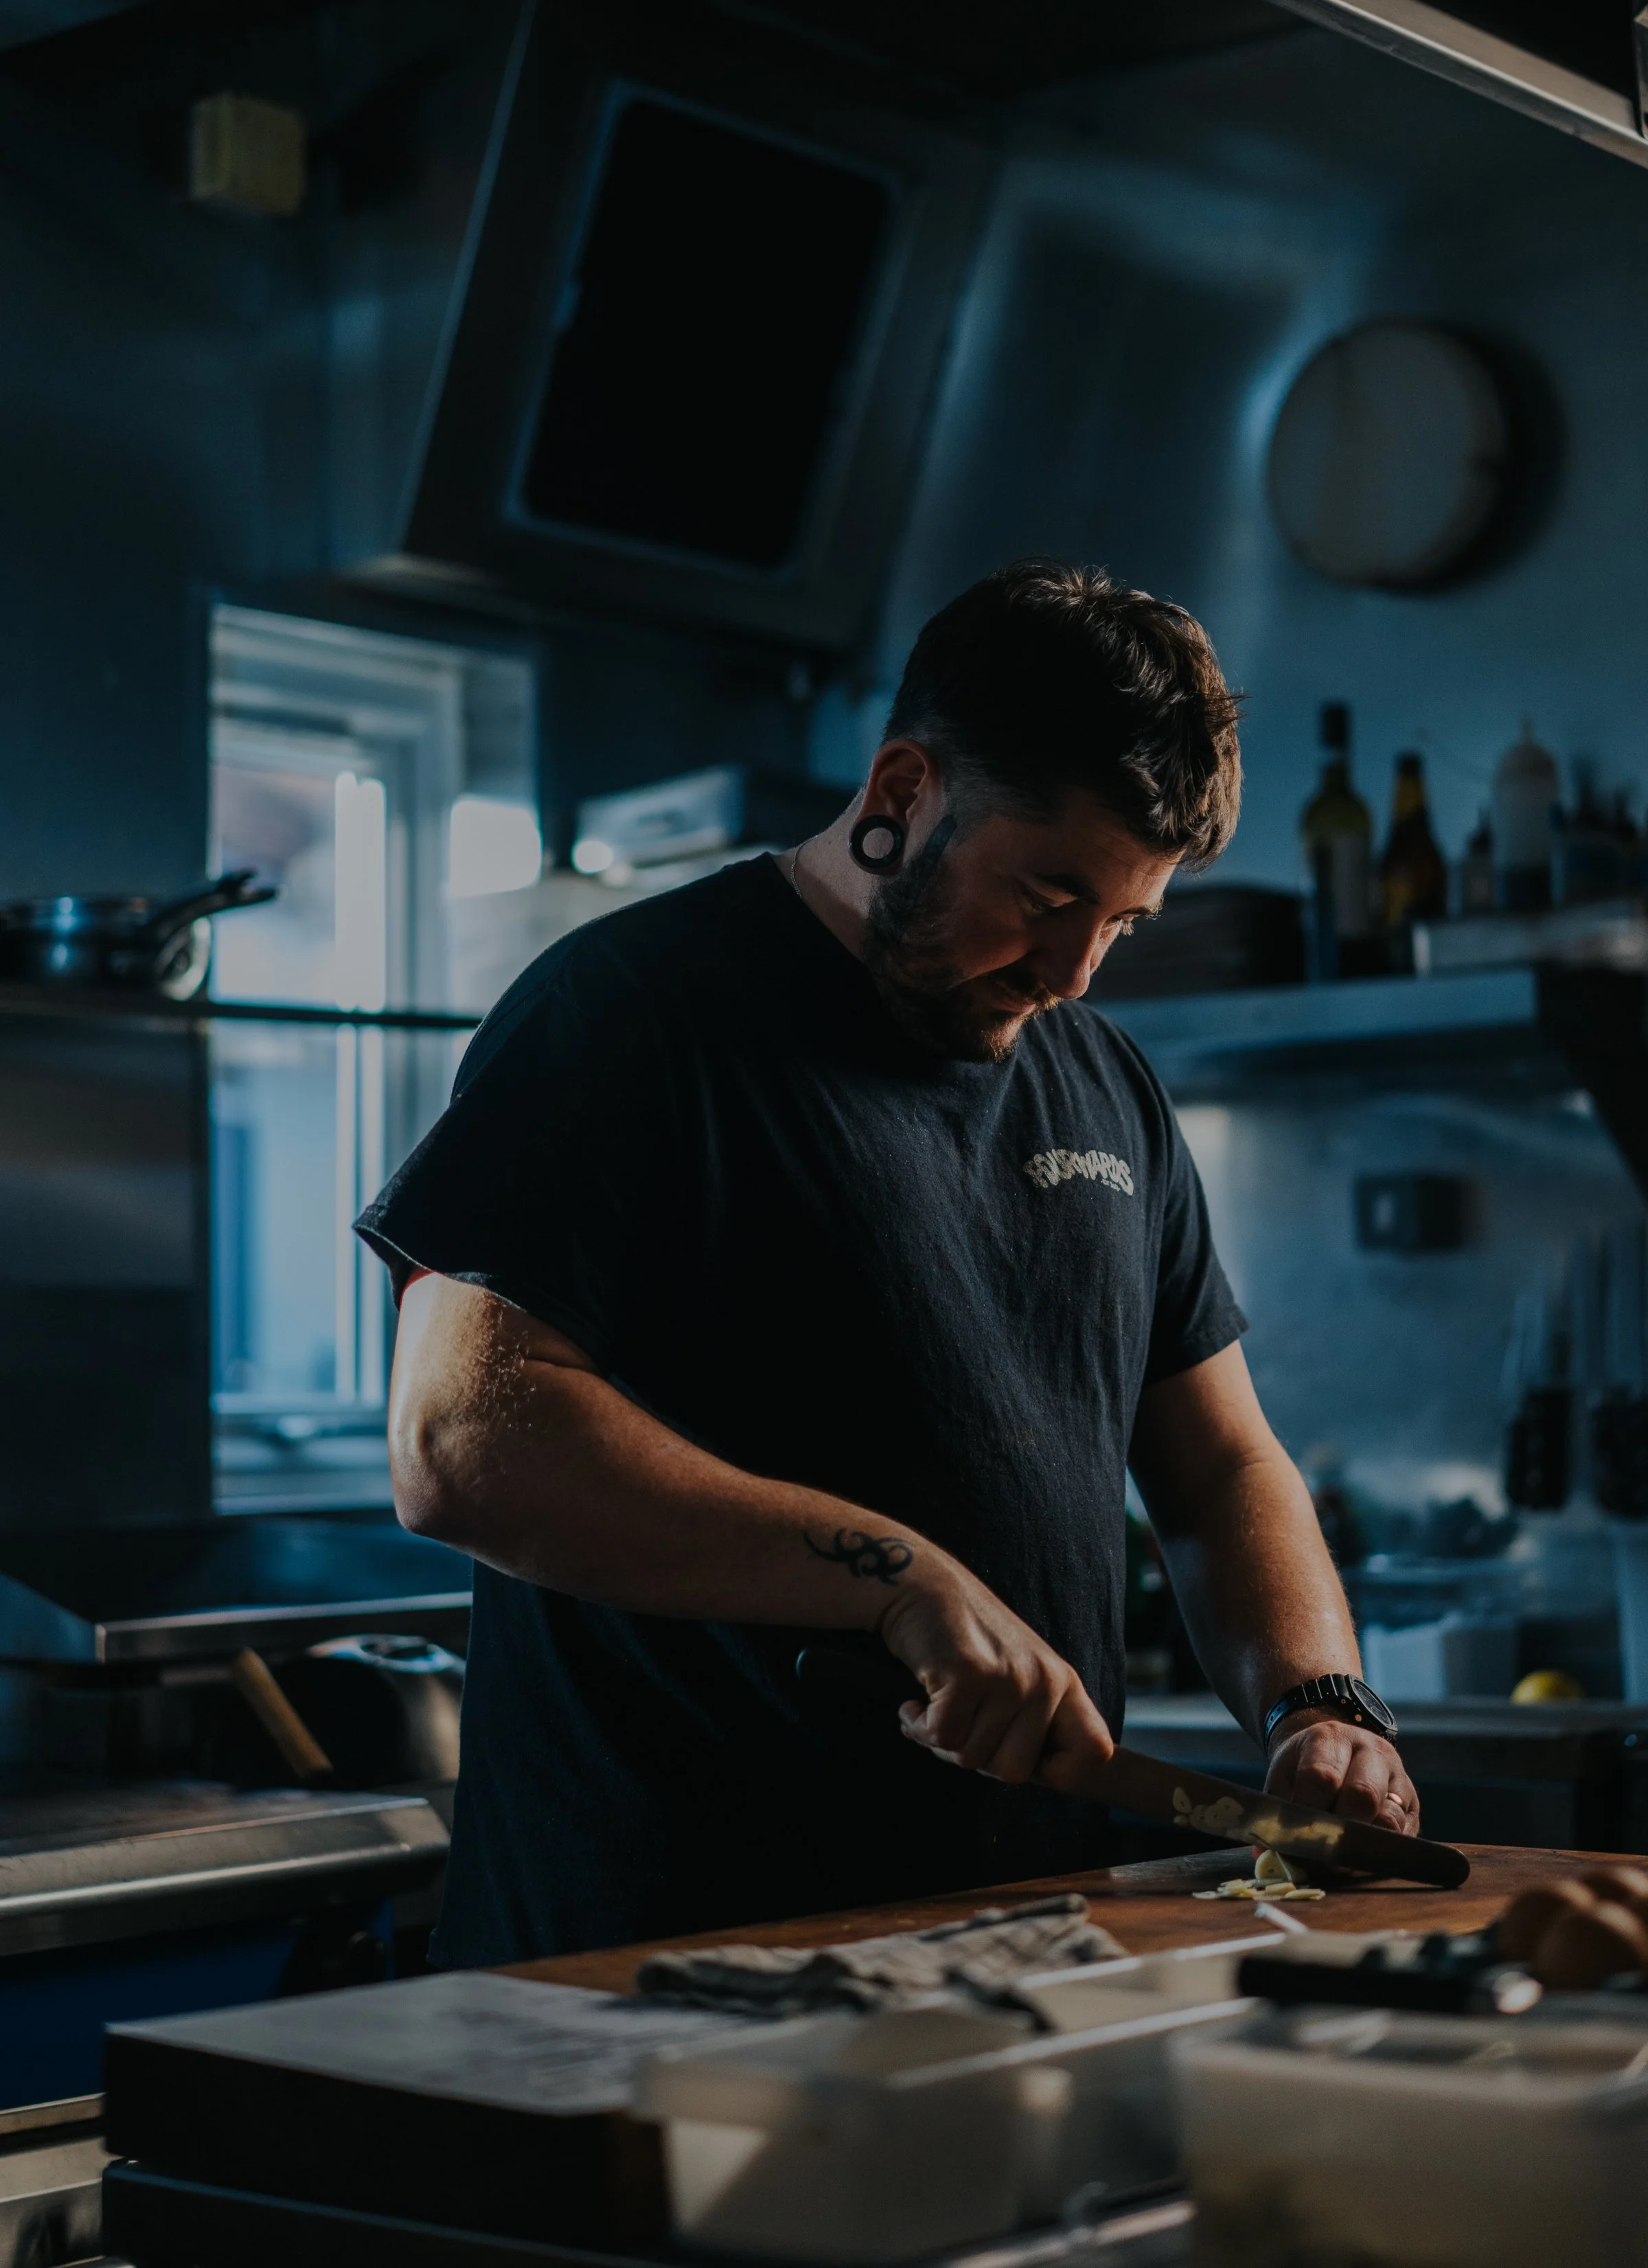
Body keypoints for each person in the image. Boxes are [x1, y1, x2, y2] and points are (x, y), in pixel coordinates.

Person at [359, 560, 1418, 1965]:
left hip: (1007, 1953)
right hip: (653, 1970)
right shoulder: (629, 1016)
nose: (1073, 970)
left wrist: (1317, 1704)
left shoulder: (1103, 1087)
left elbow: (1221, 1471)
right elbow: (460, 1441)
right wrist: (895, 1574)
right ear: (902, 791)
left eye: (1120, 919)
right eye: (1042, 893)